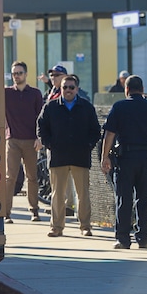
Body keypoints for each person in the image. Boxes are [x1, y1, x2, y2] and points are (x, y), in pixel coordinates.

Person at [101, 75, 147, 249]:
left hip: (125, 159)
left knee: (124, 199)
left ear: (127, 89)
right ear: (142, 88)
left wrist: (105, 156)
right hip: (146, 158)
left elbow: (109, 134)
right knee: (144, 199)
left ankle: (122, 239)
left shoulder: (120, 106)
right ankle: (143, 238)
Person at [37, 75, 101, 237]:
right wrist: (49, 144)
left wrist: (88, 145)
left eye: (71, 87)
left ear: (77, 89)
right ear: (61, 89)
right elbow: (41, 126)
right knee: (58, 194)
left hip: (80, 156)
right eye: (65, 87)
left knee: (83, 194)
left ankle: (85, 226)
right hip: (58, 156)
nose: (68, 90)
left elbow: (95, 131)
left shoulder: (86, 107)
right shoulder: (51, 107)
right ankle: (56, 227)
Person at [3, 61, 44, 223]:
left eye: (19, 73)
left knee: (32, 177)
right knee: (9, 177)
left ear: (26, 74)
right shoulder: (6, 93)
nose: (16, 76)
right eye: (14, 73)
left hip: (31, 141)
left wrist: (39, 138)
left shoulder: (35, 93)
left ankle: (34, 211)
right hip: (12, 139)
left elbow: (41, 118)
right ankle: (6, 213)